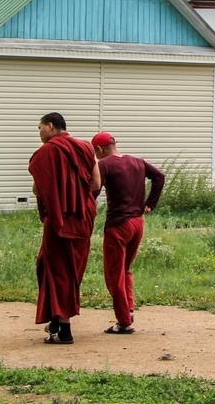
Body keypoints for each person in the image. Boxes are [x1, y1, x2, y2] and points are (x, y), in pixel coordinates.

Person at [28, 111, 100, 345]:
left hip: (60, 218)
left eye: (39, 128)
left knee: (57, 269)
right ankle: (57, 320)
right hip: (83, 215)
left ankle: (65, 329)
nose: (39, 133)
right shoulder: (86, 148)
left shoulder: (46, 152)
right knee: (68, 267)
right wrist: (79, 198)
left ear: (50, 126)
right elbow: (96, 183)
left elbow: (39, 190)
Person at [91, 131, 165, 334]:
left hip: (118, 225)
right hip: (137, 223)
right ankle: (128, 310)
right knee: (125, 269)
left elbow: (94, 191)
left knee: (113, 273)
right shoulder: (137, 162)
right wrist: (150, 203)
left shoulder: (103, 165)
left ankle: (123, 321)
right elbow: (159, 176)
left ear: (99, 149)